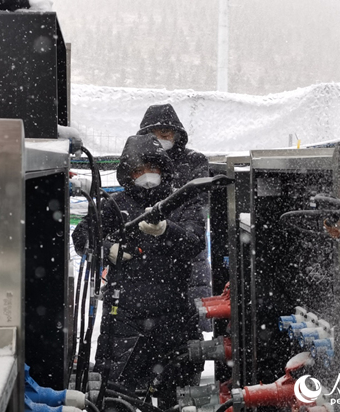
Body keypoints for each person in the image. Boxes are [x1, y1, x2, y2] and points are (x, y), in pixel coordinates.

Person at [72, 134, 204, 405]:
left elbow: (194, 242)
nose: (146, 176)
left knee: (178, 399)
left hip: (174, 319)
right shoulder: (115, 204)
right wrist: (105, 247)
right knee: (117, 398)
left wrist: (167, 229)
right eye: (138, 170)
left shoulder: (180, 202)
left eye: (151, 168)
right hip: (124, 321)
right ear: (127, 174)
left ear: (163, 168)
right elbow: (82, 235)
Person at [136, 103, 212, 332]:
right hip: (148, 255)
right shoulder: (139, 162)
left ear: (177, 134)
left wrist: (170, 228)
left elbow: (198, 205)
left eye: (165, 133)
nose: (160, 139)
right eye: (152, 134)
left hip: (188, 251)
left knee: (188, 322)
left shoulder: (195, 161)